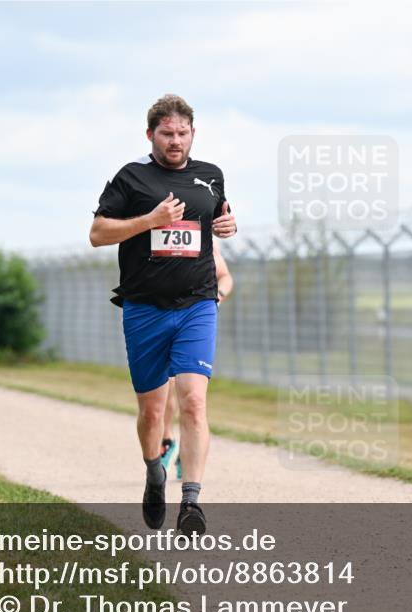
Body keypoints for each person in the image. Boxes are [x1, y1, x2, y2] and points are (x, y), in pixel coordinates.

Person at [89, 94, 237, 537]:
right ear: (150, 133)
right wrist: (149, 219)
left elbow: (218, 222)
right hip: (144, 310)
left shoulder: (210, 177)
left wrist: (226, 226)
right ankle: (155, 471)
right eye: (167, 133)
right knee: (153, 414)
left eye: (183, 133)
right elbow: (98, 233)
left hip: (196, 304)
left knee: (192, 401)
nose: (175, 141)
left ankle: (191, 502)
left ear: (194, 133)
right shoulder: (131, 177)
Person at [161, 243, 234, 479]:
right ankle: (166, 440)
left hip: (193, 322)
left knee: (191, 395)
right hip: (159, 316)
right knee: (163, 390)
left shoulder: (202, 240)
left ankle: (186, 451)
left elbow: (225, 277)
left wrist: (217, 297)